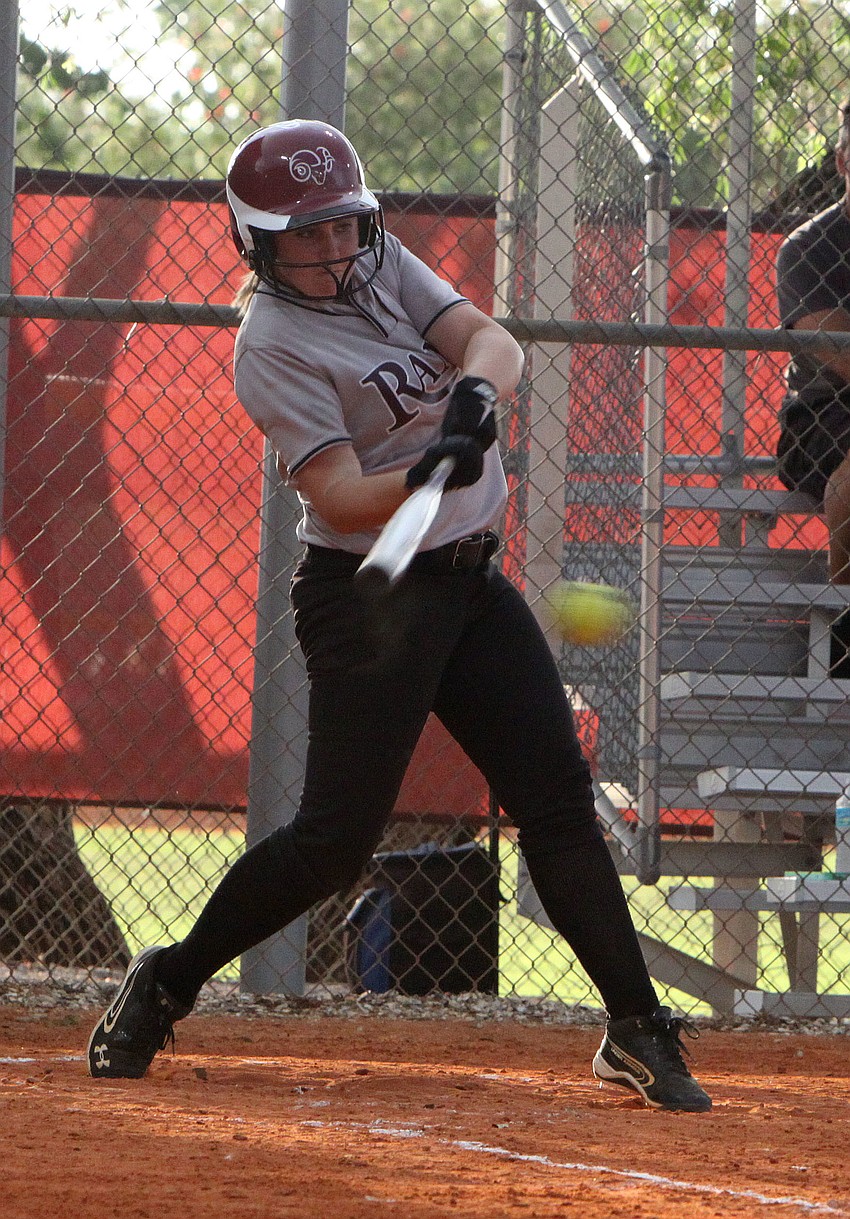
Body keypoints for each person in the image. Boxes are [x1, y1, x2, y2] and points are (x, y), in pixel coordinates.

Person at [87, 119, 711, 1112]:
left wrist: (471, 401)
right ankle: (169, 975)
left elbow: (488, 340)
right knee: (335, 840)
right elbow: (335, 493)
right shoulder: (272, 344)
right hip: (368, 596)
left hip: (467, 582)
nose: (334, 250)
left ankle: (634, 1025)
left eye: (344, 227)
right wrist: (424, 467)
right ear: (258, 244)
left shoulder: (379, 266)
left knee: (554, 796)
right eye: (307, 236)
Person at [776, 101, 850, 588]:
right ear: (845, 161)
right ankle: (845, 624)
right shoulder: (809, 248)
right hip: (826, 413)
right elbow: (844, 356)